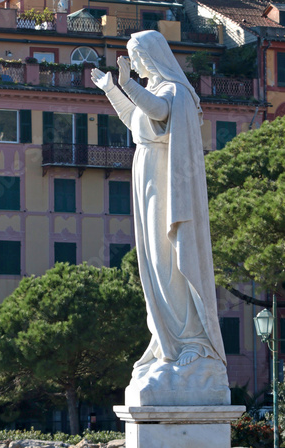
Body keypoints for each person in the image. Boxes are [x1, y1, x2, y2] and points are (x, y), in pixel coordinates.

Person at [91, 31, 227, 374]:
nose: (132, 63)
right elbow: (134, 118)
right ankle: (165, 338)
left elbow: (158, 110)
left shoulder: (174, 93)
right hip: (146, 177)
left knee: (169, 261)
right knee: (152, 261)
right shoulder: (150, 91)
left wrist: (128, 84)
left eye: (135, 57)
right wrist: (111, 88)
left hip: (167, 181)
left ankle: (191, 340)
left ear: (150, 57)